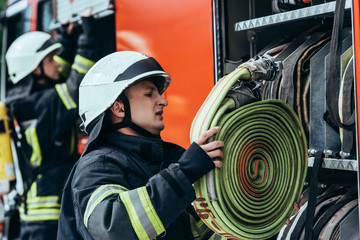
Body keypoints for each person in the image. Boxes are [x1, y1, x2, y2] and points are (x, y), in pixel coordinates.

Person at [57, 51, 227, 240]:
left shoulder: (170, 159)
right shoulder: (97, 167)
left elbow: (201, 232)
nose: (164, 101)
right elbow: (113, 229)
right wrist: (185, 173)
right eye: (149, 94)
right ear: (119, 108)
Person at [4, 11, 100, 240]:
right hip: (48, 213)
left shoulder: (28, 101)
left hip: (38, 210)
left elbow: (60, 77)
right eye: (49, 60)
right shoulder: (42, 103)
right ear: (35, 70)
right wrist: (89, 35)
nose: (56, 64)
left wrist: (66, 40)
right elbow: (76, 87)